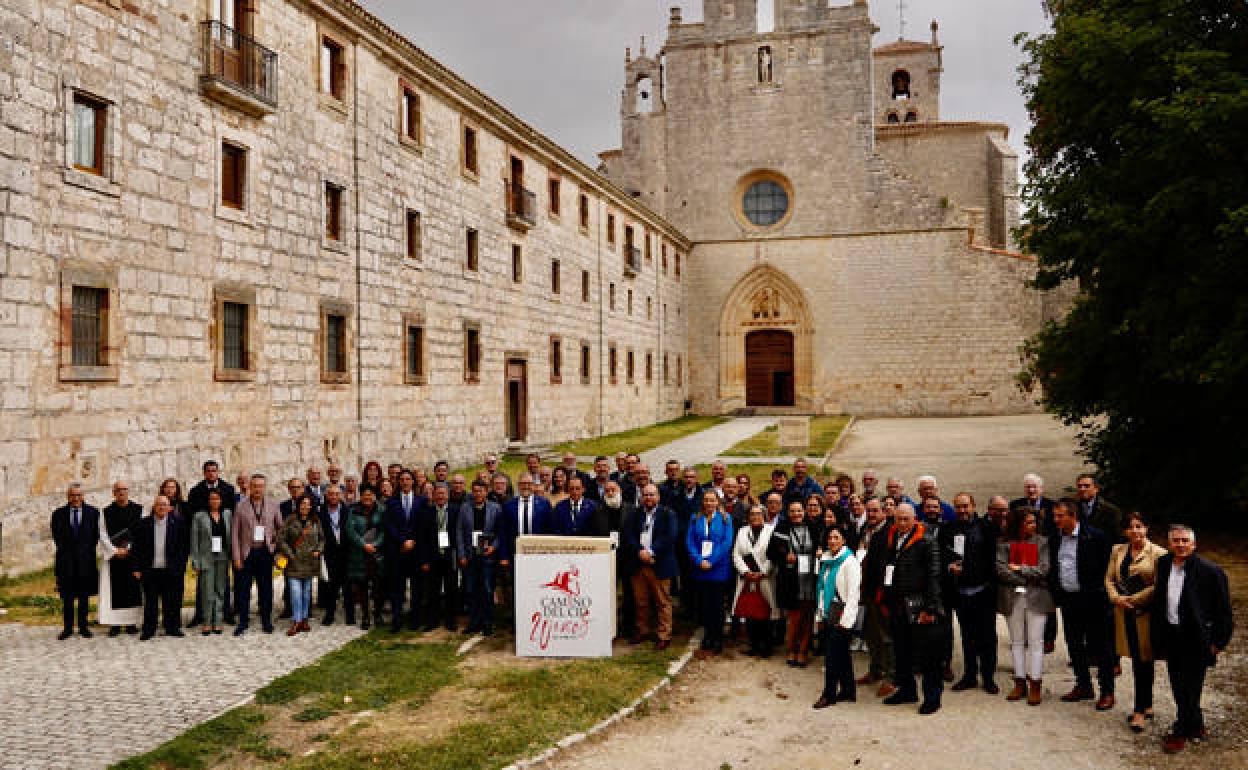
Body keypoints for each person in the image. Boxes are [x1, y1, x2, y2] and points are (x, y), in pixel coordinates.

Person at [1152, 524, 1234, 754]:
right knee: (1178, 683)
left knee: (1191, 686)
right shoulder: (1164, 564)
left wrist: (1218, 643)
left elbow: (1224, 612)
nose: (1180, 544)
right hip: (1172, 634)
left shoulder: (1211, 571)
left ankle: (1180, 730)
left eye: (1184, 541)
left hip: (1197, 639)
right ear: (1169, 544)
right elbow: (1160, 600)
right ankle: (1196, 724)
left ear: (1194, 544)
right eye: (1175, 540)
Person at [1049, 498, 1115, 709]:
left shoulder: (1096, 537)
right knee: (1074, 645)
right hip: (1069, 600)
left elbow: (1108, 568)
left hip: (1094, 601)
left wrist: (1103, 594)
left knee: (1101, 647)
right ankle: (1083, 685)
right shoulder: (1055, 539)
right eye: (1054, 515)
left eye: (1060, 516)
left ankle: (1107, 691)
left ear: (1073, 516)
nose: (1056, 519)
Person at [882, 503, 947, 715]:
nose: (901, 523)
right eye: (897, 519)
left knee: (929, 655)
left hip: (920, 605)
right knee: (902, 651)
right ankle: (907, 690)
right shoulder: (892, 539)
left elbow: (934, 576)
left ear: (914, 518)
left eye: (905, 519)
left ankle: (932, 697)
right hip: (898, 604)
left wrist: (930, 608)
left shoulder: (927, 541)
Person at [1105, 511, 1167, 731]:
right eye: (1130, 527)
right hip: (1124, 613)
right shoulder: (1117, 550)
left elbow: (1159, 585)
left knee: (1144, 661)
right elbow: (1109, 578)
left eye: (1139, 526)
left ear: (1147, 528)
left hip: (1145, 615)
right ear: (1125, 531)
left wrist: (1133, 599)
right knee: (1137, 660)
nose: (1135, 531)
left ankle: (1139, 710)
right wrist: (1116, 598)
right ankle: (1147, 703)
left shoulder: (1159, 554)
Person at [941, 493, 999, 694]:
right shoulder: (948, 529)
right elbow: (942, 556)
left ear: (974, 506)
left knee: (987, 637)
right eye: (958, 507)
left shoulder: (986, 528)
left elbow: (993, 562)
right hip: (961, 592)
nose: (962, 510)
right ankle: (969, 675)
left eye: (966, 506)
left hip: (982, 591)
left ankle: (989, 677)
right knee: (967, 636)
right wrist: (950, 567)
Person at [996, 507, 1052, 705]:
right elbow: (1001, 569)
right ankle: (1020, 681)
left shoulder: (1042, 542)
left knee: (1036, 642)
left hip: (1038, 597)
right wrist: (1025, 579)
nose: (1033, 526)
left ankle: (1035, 682)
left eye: (1034, 522)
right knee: (1017, 642)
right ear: (1017, 523)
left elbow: (1044, 570)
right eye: (1028, 522)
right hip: (1013, 597)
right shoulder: (1004, 543)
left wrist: (1020, 568)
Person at [813, 527, 861, 708]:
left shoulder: (850, 562)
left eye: (836, 537)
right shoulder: (826, 560)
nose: (832, 541)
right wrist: (819, 614)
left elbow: (853, 594)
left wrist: (846, 622)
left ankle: (829, 694)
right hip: (828, 612)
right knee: (842, 656)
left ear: (844, 540)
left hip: (842, 615)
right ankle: (849, 691)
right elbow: (822, 589)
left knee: (832, 657)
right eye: (830, 537)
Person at [625, 484, 678, 651]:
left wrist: (651, 551)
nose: (648, 498)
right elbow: (629, 535)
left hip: (659, 563)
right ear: (641, 497)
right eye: (645, 495)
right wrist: (640, 551)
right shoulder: (635, 514)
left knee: (662, 602)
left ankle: (664, 635)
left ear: (658, 497)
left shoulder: (668, 514)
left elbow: (670, 536)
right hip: (638, 563)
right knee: (641, 601)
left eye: (652, 495)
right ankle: (642, 630)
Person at [232, 474, 282, 636]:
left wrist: (274, 546)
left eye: (260, 486)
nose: (257, 489)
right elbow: (235, 534)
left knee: (266, 588)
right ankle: (243, 621)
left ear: (264, 487)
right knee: (243, 589)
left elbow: (280, 529)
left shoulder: (274, 505)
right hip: (247, 552)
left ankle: (266, 620)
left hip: (265, 552)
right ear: (250, 487)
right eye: (254, 486)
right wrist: (237, 557)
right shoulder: (240, 506)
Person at [856, 497, 897, 697]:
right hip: (868, 591)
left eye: (875, 511)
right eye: (869, 511)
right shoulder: (866, 529)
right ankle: (876, 670)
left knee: (887, 637)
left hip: (883, 593)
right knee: (871, 634)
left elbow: (888, 565)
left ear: (883, 512)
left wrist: (884, 592)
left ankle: (891, 677)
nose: (871, 514)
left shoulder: (890, 532)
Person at [131, 495, 187, 640]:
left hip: (171, 569)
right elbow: (136, 548)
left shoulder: (179, 523)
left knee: (172, 601)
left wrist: (180, 567)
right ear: (154, 507)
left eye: (164, 505)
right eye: (159, 504)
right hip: (150, 570)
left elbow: (183, 548)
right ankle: (149, 629)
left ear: (169, 508)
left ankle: (172, 627)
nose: (162, 507)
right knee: (150, 602)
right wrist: (136, 568)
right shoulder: (143, 524)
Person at [770, 501, 818, 667]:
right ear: (787, 512)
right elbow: (771, 552)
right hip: (791, 579)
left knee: (808, 616)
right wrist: (784, 558)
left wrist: (819, 551)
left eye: (799, 510)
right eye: (792, 511)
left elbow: (823, 546)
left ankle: (803, 651)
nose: (796, 514)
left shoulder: (813, 527)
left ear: (804, 511)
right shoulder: (781, 528)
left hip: (811, 578)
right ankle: (791, 649)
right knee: (795, 617)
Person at [687, 490, 734, 657]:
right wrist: (699, 560)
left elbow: (726, 543)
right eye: (706, 500)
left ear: (717, 502)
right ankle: (707, 635)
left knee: (717, 606)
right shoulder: (695, 518)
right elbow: (690, 542)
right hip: (700, 568)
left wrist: (711, 561)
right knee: (705, 605)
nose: (708, 503)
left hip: (718, 568)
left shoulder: (726, 518)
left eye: (712, 500)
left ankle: (718, 637)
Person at [50, 483, 101, 640]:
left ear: (83, 496)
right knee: (67, 597)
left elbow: (95, 536)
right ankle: (67, 628)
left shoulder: (93, 513)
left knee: (84, 596)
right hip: (66, 561)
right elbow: (57, 537)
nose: (76, 498)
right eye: (72, 495)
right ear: (68, 496)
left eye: (78, 495)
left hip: (86, 560)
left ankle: (84, 626)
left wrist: (84, 551)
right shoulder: (58, 514)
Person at [384, 471, 429, 632]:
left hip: (416, 551)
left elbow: (423, 526)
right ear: (398, 482)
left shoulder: (422, 501)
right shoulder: (391, 502)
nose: (405, 482)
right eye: (402, 479)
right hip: (398, 551)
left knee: (416, 588)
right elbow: (389, 526)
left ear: (413, 482)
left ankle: (415, 620)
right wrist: (402, 541)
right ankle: (397, 620)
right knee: (397, 588)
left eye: (408, 479)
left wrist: (413, 541)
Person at [457, 479, 502, 635]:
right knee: (471, 590)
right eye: (475, 491)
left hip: (487, 556)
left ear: (486, 491)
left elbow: (500, 532)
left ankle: (487, 622)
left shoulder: (495, 508)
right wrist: (461, 554)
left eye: (480, 491)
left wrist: (493, 547)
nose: (477, 494)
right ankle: (474, 622)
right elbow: (459, 533)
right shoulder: (464, 508)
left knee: (487, 590)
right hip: (470, 556)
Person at [99, 480, 142, 636]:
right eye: (118, 489)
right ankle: (115, 624)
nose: (121, 492)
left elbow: (140, 532)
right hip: (114, 558)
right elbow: (102, 534)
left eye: (124, 489)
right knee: (115, 590)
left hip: (132, 557)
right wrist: (115, 550)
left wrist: (128, 549)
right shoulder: (106, 512)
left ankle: (131, 623)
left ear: (128, 491)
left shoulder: (138, 509)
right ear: (114, 492)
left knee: (132, 590)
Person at [733, 504, 776, 658]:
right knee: (750, 611)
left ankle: (766, 646)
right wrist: (745, 572)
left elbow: (774, 554)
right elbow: (736, 554)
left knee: (766, 611)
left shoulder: (771, 531)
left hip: (765, 578)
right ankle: (753, 644)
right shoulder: (742, 531)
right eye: (752, 514)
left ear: (764, 515)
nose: (755, 517)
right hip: (747, 577)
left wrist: (763, 572)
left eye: (758, 514)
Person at [279, 495, 324, 635]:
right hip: (293, 563)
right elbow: (281, 539)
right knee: (295, 593)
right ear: (298, 505)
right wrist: (290, 555)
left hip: (310, 562)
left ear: (311, 506)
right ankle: (296, 620)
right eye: (303, 503)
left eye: (308, 504)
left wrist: (318, 550)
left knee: (306, 594)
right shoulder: (290, 520)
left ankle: (304, 619)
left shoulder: (315, 521)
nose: (305, 506)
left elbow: (322, 539)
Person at [190, 489, 232, 635]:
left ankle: (218, 621)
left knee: (220, 590)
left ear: (221, 500)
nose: (214, 501)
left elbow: (230, 537)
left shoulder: (227, 514)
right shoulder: (199, 516)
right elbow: (194, 540)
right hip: (205, 558)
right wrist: (195, 561)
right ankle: (207, 622)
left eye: (217, 499)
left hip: (222, 556)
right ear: (208, 501)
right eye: (211, 499)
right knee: (207, 591)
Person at [601, 480, 638, 639]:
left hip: (627, 558)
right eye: (607, 490)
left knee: (629, 594)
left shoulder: (632, 510)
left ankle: (629, 627)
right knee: (607, 593)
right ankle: (608, 627)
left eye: (613, 490)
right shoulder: (598, 511)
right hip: (607, 559)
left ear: (620, 491)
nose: (610, 493)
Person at [419, 484, 458, 631]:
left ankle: (450, 621)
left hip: (450, 556)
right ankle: (432, 621)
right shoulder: (426, 512)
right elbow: (422, 539)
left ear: (448, 495)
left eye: (443, 494)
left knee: (451, 590)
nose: (441, 496)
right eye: (438, 494)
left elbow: (458, 534)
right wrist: (424, 560)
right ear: (433, 495)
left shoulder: (455, 510)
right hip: (432, 558)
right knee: (432, 591)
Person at [346, 488, 386, 630]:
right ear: (360, 496)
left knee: (378, 587)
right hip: (360, 554)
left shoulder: (381, 510)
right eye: (364, 495)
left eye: (370, 495)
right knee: (362, 587)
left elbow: (383, 530)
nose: (367, 497)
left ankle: (378, 614)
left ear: (374, 496)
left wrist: (375, 544)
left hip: (376, 554)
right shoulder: (353, 510)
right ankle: (365, 616)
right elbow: (350, 530)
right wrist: (364, 545)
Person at [319, 485, 352, 625]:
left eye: (336, 494)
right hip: (330, 552)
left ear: (341, 495)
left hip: (346, 552)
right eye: (331, 494)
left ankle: (350, 615)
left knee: (348, 586)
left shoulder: (348, 510)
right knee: (331, 586)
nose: (333, 497)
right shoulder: (320, 512)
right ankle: (330, 614)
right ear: (326, 496)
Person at [1075, 474, 1124, 541]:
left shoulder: (1111, 510)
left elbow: (1117, 537)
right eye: (1079, 486)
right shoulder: (1073, 508)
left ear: (1096, 489)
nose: (1082, 489)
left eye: (1087, 486)